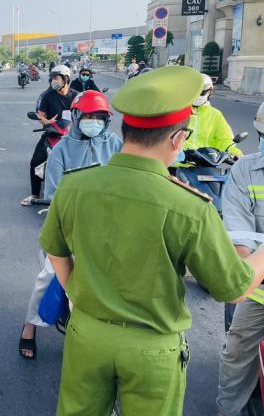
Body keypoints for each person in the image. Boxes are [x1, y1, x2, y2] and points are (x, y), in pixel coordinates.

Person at [41, 66, 264, 415]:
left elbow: (55, 251)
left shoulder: (74, 186)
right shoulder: (189, 206)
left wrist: (79, 295)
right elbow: (234, 289)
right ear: (177, 139)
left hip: (87, 334)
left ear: (123, 129)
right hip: (152, 350)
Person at [18, 90, 122, 359]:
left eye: (99, 117)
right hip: (69, 225)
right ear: (75, 116)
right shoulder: (61, 150)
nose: (93, 121)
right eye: (87, 116)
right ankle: (29, 326)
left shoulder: (115, 144)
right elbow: (54, 194)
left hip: (110, 227)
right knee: (48, 277)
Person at [216, 101, 264, 415]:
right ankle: (228, 411)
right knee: (237, 351)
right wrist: (248, 274)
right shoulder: (246, 169)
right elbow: (237, 232)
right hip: (258, 286)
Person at [21, 65, 78, 206]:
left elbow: (84, 114)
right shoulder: (47, 96)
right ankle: (34, 194)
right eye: (52, 78)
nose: (54, 81)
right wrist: (46, 122)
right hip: (52, 134)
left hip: (73, 135)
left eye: (57, 78)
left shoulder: (76, 96)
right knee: (35, 162)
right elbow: (40, 116)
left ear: (66, 79)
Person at [185, 73, 242, 156]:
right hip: (178, 164)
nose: (198, 96)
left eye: (202, 92)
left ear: (210, 92)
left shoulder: (215, 115)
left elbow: (224, 139)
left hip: (206, 162)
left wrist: (235, 152)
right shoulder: (178, 112)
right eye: (195, 92)